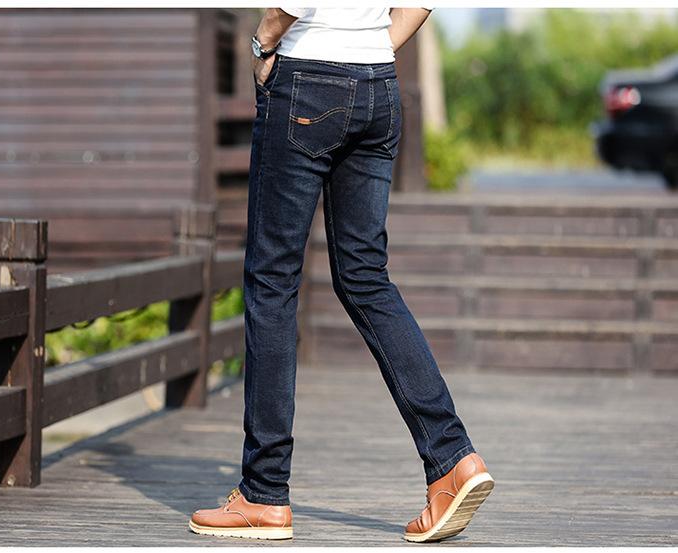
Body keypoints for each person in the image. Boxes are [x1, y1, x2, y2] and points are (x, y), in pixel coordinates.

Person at [189, 7, 493, 542]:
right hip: (378, 84)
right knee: (366, 277)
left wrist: (263, 42)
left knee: (272, 283)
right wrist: (373, 45)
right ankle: (452, 459)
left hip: (307, 78)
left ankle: (263, 493)